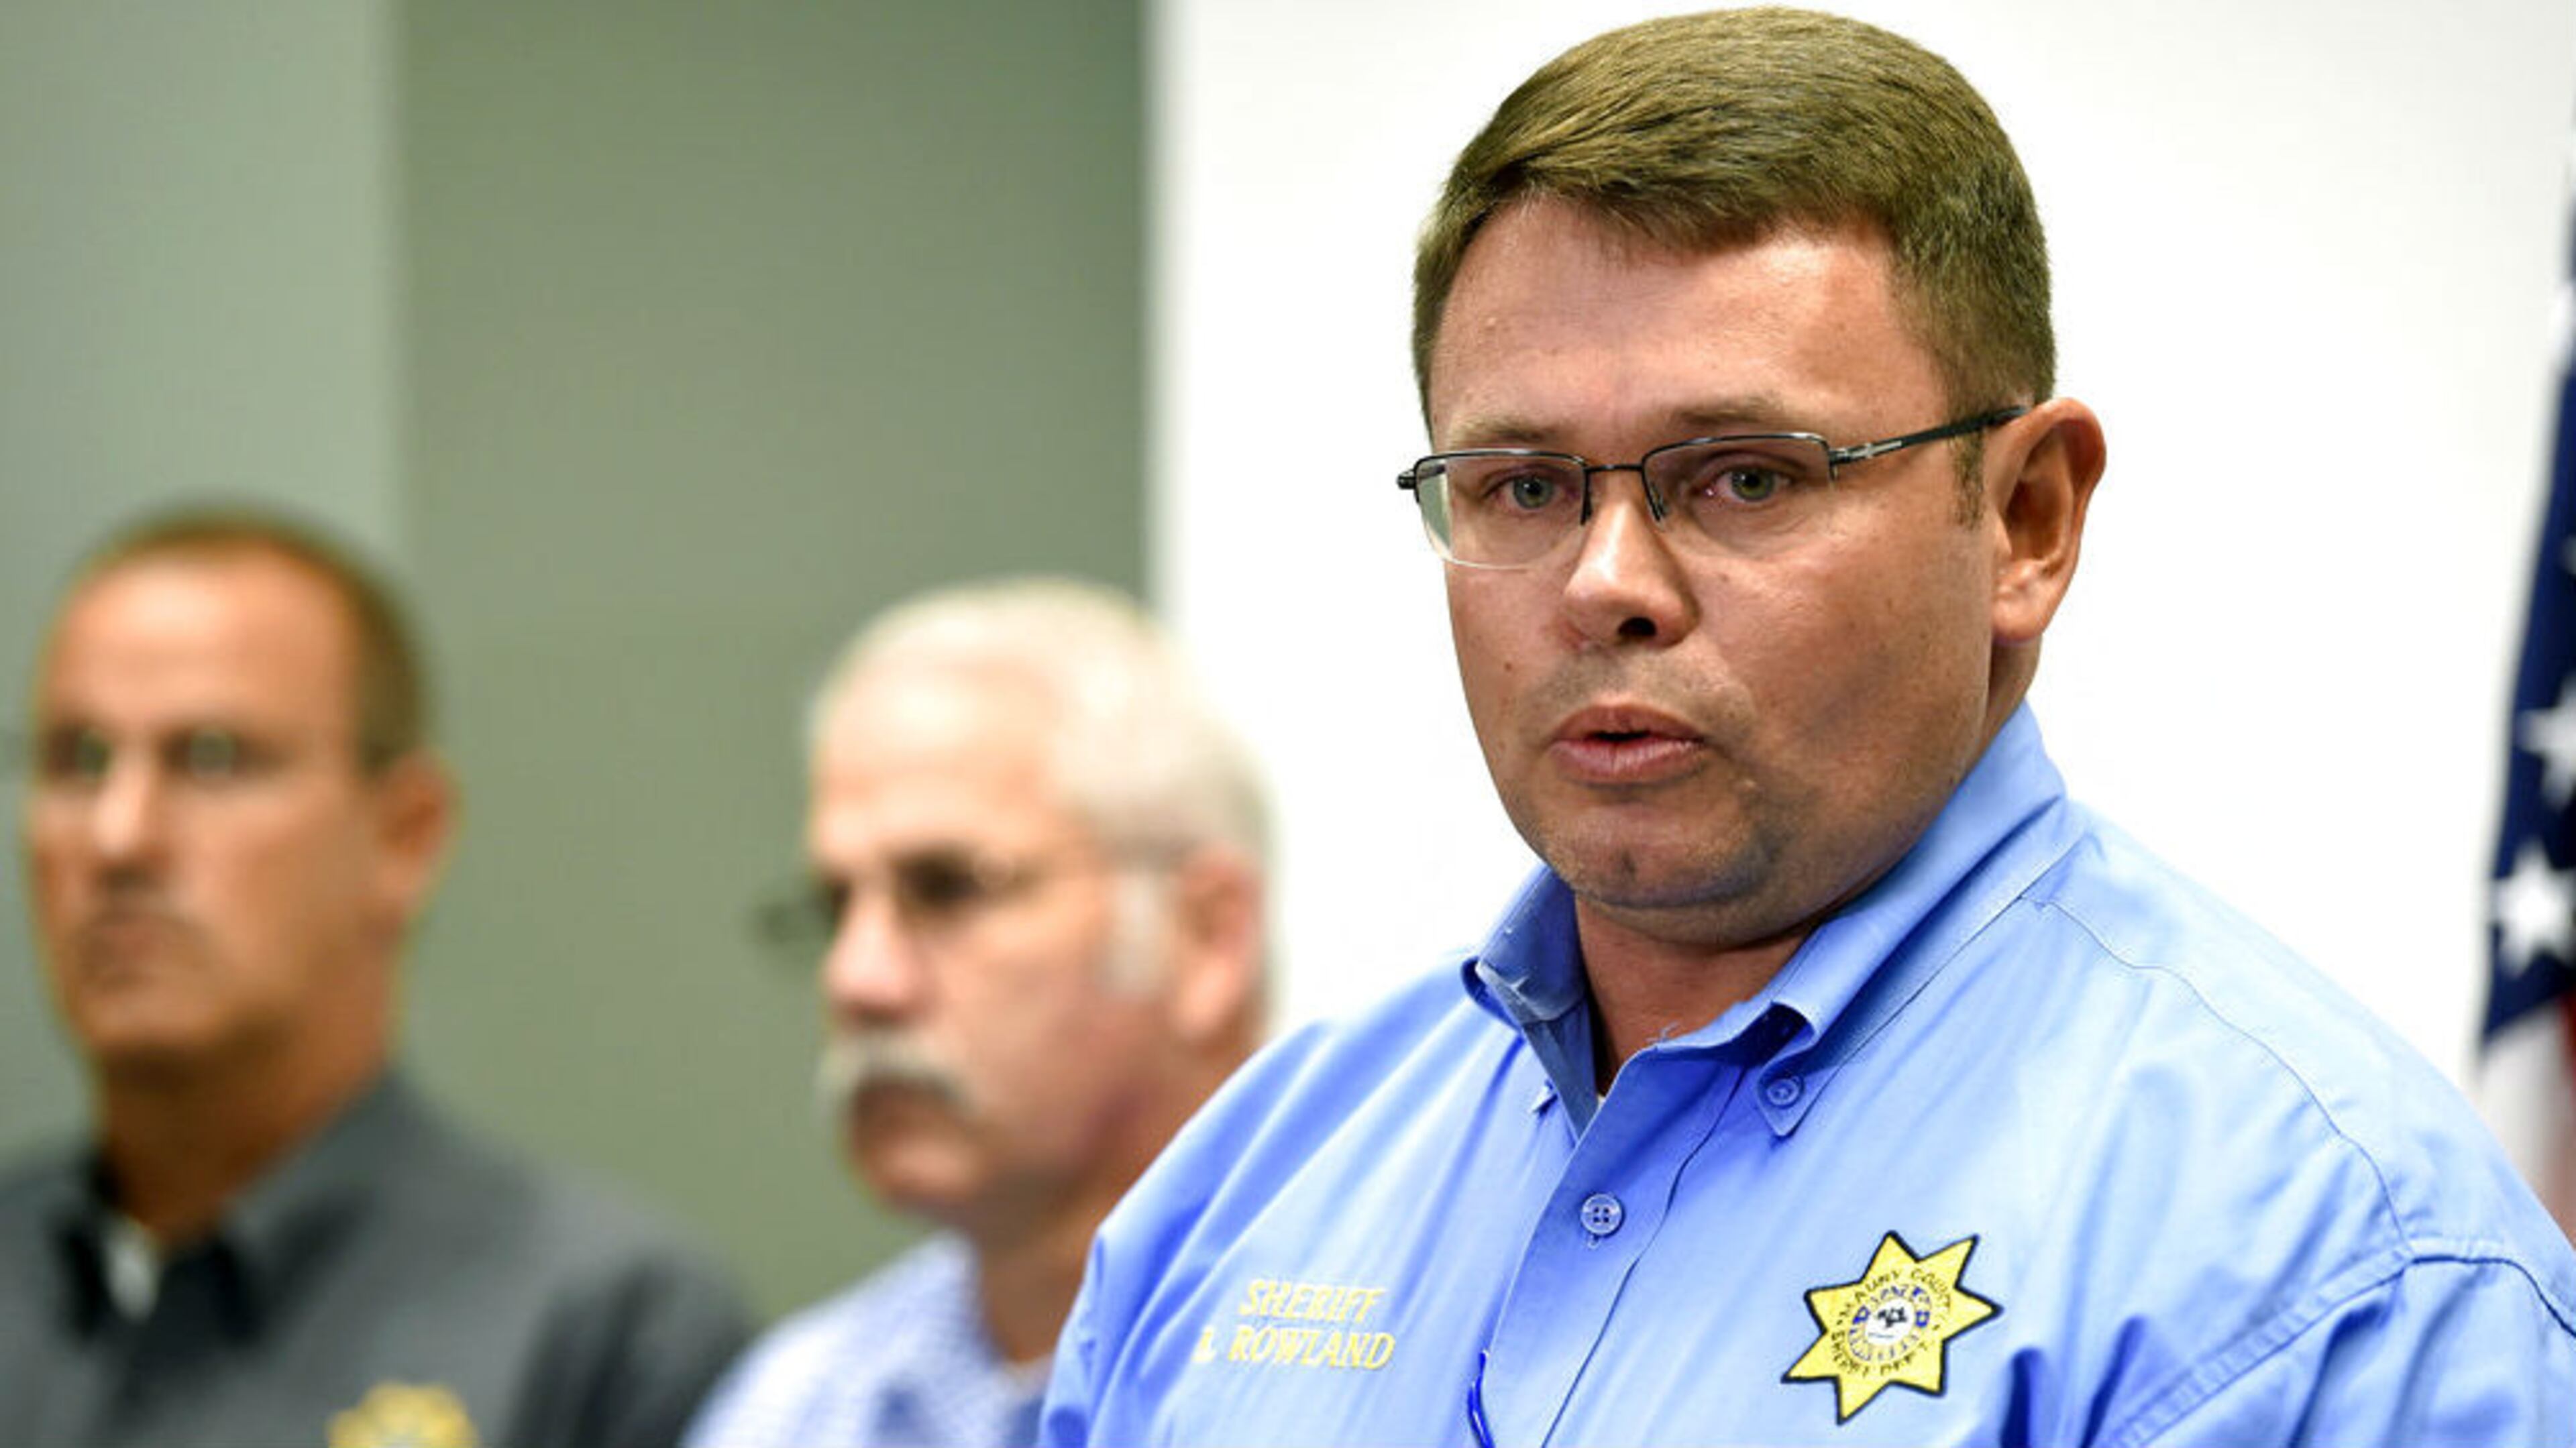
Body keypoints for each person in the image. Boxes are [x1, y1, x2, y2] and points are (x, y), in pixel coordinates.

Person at [1040, 10, 2576, 1445]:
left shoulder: (2326, 1261)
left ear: (2027, 519)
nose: (1607, 586)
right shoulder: (1248, 1191)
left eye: (1744, 479)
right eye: (1522, 486)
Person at [0, 508, 751, 1448]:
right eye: (77, 762)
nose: (119, 838)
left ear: (406, 836)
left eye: (212, 759)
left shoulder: (601, 1329)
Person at [685, 577, 1267, 1448]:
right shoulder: (794, 1412)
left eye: (948, 888)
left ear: (1205, 938)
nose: (857, 978)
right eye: (837, 906)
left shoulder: (1387, 1353)